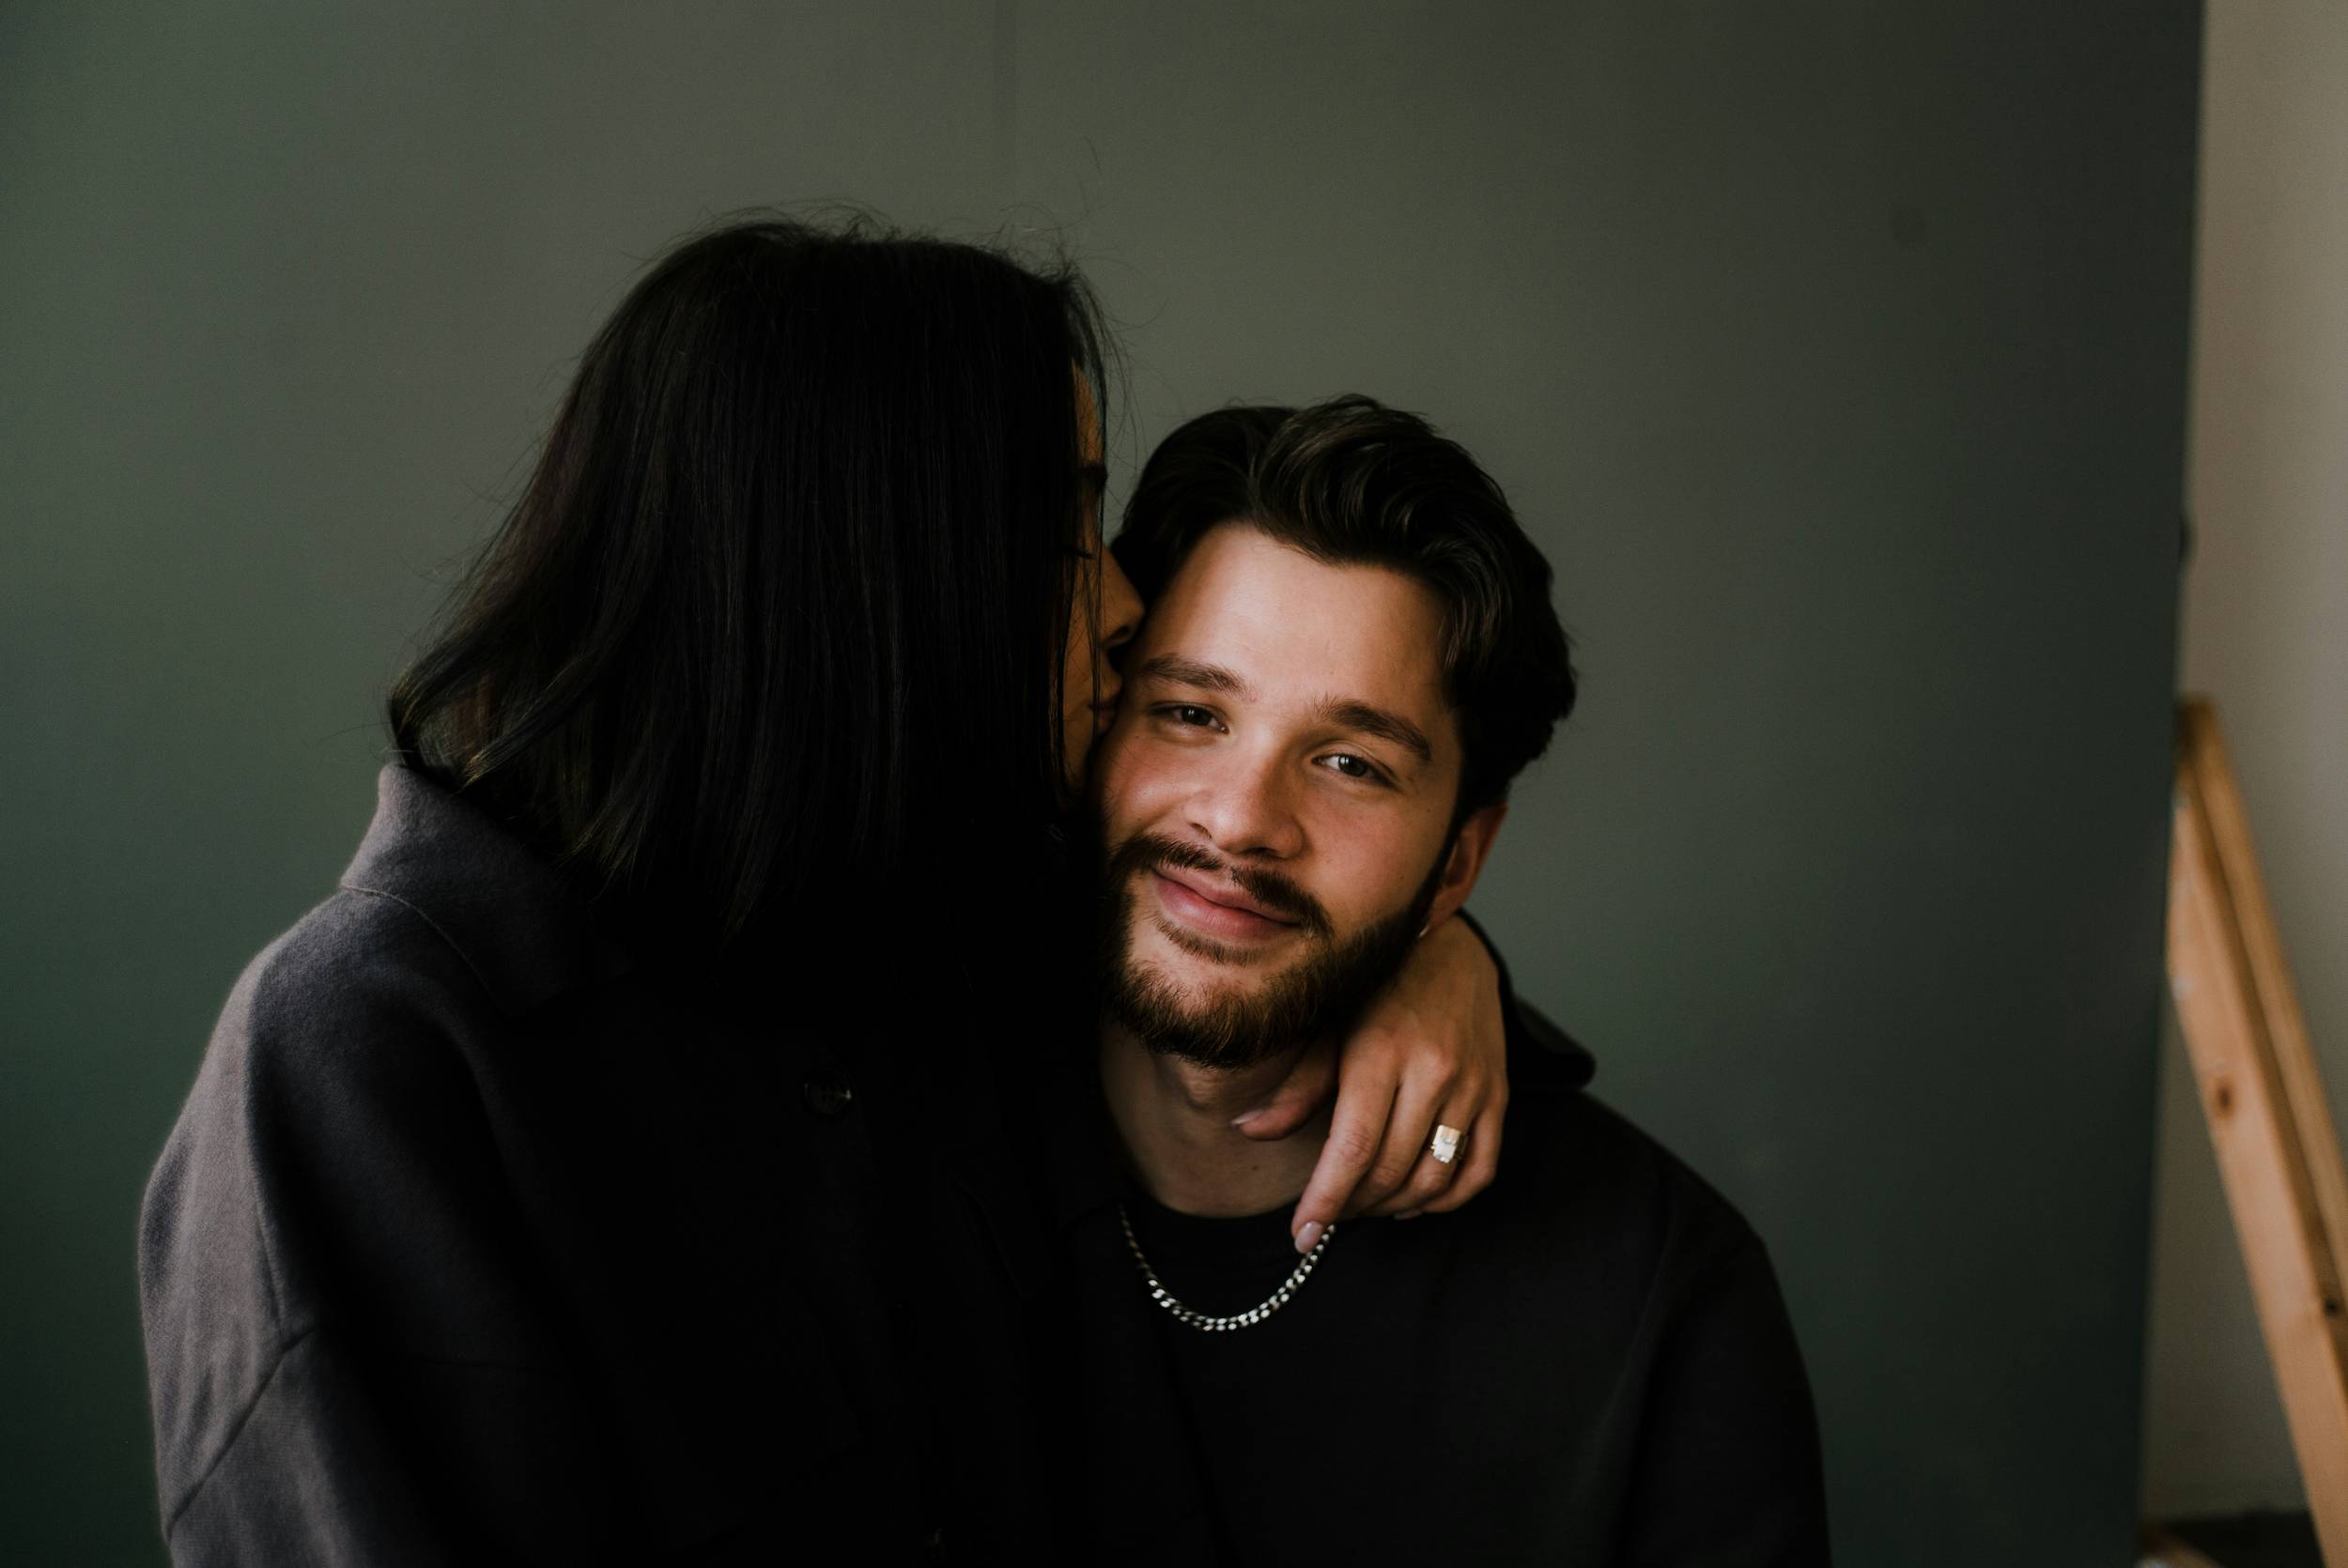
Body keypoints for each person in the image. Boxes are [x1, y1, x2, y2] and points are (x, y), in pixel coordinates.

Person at [136, 219, 1524, 1564]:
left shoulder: (921, 953)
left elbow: (1239, 932)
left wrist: (1426, 957)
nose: (1123, 606)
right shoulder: (373, 1067)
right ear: (872, 577)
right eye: (1065, 527)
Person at [1055, 397, 1831, 1563]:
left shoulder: (1652, 1294)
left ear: (1458, 858)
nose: (1241, 818)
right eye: (1189, 712)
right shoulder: (909, 1159)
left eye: (1350, 762)